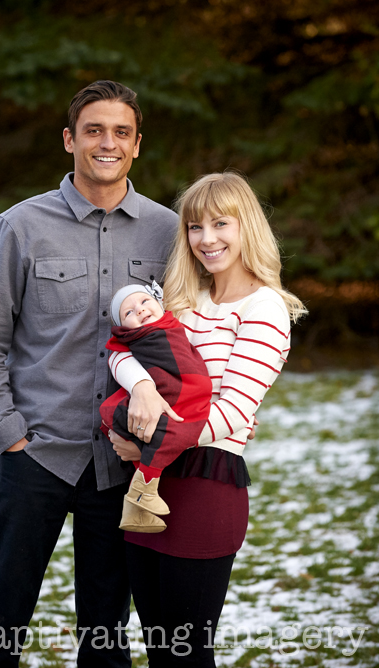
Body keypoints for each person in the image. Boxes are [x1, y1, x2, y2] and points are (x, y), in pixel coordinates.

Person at [0, 80, 179, 667]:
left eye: (121, 133)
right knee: (0, 624)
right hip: (35, 455)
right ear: (69, 139)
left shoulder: (169, 232)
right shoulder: (20, 226)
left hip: (122, 463)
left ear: (137, 145)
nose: (107, 143)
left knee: (107, 634)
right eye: (93, 130)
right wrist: (9, 432)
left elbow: (186, 342)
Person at [109, 171, 307, 667]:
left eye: (221, 224)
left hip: (204, 491)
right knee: (159, 652)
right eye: (195, 227)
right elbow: (123, 353)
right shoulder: (179, 301)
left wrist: (148, 444)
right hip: (146, 493)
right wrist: (142, 386)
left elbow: (234, 412)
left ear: (248, 227)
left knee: (189, 654)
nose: (207, 239)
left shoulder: (265, 308)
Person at [99, 281, 212, 533]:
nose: (138, 310)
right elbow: (116, 356)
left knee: (176, 428)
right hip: (165, 393)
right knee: (166, 431)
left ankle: (136, 507)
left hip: (190, 390)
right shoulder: (131, 339)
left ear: (159, 304)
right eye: (128, 312)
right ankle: (143, 490)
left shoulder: (176, 325)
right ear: (122, 327)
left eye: (144, 301)